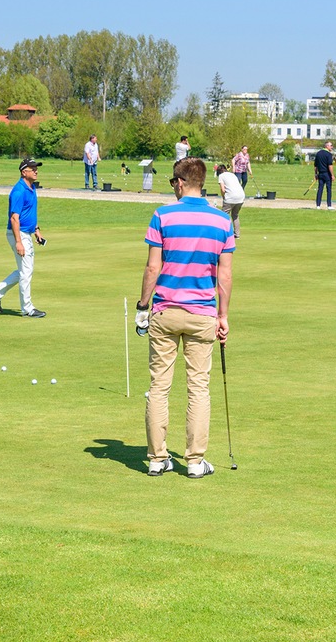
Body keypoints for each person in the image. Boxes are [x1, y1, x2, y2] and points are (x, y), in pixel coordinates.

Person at [135, 157, 233, 479]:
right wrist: (223, 316)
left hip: (164, 311)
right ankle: (193, 461)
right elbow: (225, 276)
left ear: (179, 182)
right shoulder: (222, 221)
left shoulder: (162, 215)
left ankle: (156, 458)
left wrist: (142, 306)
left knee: (159, 387)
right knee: (198, 389)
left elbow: (153, 267)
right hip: (202, 313)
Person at [0, 159, 47, 318]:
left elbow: (30, 213)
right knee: (26, 271)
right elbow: (14, 218)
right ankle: (27, 308)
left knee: (24, 270)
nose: (36, 171)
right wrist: (19, 242)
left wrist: (37, 230)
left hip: (26, 232)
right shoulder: (19, 191)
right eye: (32, 168)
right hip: (18, 233)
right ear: (23, 172)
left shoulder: (32, 187)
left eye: (36, 168)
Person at [214, 164, 245, 237]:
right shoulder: (232, 175)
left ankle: (225, 233)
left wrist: (223, 197)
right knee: (235, 215)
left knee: (224, 215)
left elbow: (222, 189)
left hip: (230, 197)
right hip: (241, 196)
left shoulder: (221, 176)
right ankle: (237, 234)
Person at [314, 141, 335, 209]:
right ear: (327, 146)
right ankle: (329, 205)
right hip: (327, 174)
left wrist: (316, 174)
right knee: (328, 189)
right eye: (331, 145)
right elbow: (330, 165)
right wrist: (332, 175)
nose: (332, 147)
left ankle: (318, 205)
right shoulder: (328, 154)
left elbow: (315, 165)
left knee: (320, 189)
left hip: (320, 174)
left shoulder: (318, 153)